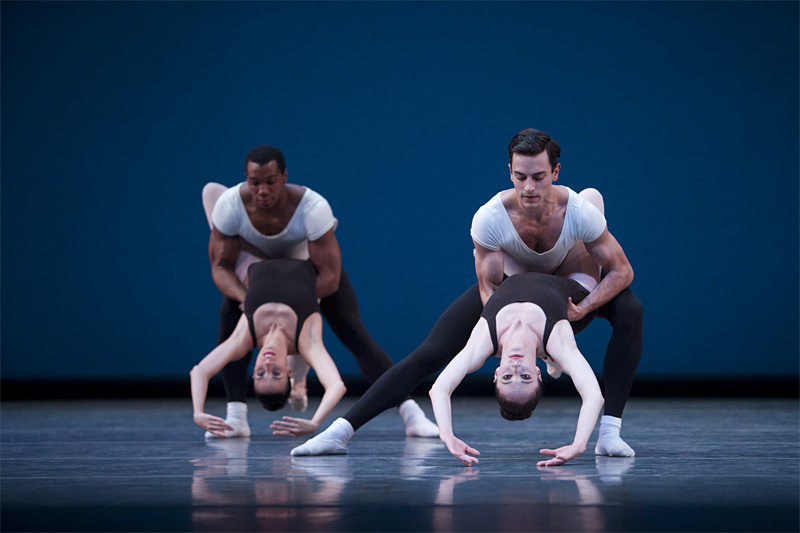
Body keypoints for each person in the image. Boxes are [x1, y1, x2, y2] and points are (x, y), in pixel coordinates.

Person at [291, 129, 641, 458]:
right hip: (511, 286)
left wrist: (586, 307)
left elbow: (622, 271)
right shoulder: (490, 217)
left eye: (538, 177)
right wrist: (499, 334)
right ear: (509, 172)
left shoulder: (578, 211)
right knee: (429, 353)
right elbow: (490, 290)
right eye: (520, 176)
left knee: (630, 308)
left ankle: (609, 433)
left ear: (556, 172)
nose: (529, 187)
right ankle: (338, 432)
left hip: (571, 286)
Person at [202, 145, 437, 438]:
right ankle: (236, 417)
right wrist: (245, 299)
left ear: (284, 176)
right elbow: (221, 267)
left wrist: (300, 301)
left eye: (271, 182)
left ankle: (411, 414)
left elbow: (330, 277)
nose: (263, 190)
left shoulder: (312, 208)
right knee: (230, 324)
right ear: (246, 180)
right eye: (255, 182)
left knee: (354, 333)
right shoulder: (229, 206)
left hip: (308, 274)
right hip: (258, 279)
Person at [429, 272, 604, 467]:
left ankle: (552, 362)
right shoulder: (557, 341)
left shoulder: (481, 344)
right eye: (526, 376)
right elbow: (594, 395)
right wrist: (579, 444)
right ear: (538, 373)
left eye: (507, 377)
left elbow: (439, 389)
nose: (515, 367)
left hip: (526, 268)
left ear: (496, 374)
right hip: (575, 297)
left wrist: (446, 434)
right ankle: (553, 361)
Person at [191, 259, 347, 437]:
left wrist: (198, 412)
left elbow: (199, 371)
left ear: (253, 371)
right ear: (288, 372)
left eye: (260, 373)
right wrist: (315, 422)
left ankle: (297, 390)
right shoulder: (307, 342)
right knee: (355, 332)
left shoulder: (242, 339)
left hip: (259, 256)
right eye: (276, 373)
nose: (267, 363)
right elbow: (336, 385)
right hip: (302, 255)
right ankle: (298, 386)